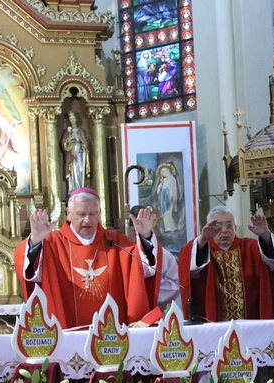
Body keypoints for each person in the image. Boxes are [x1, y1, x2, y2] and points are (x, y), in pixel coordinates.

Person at [14, 188, 161, 329]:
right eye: (81, 214)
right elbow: (30, 274)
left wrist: (145, 236)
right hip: (66, 333)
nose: (87, 220)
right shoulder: (52, 243)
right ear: (68, 213)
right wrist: (35, 240)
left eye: (92, 214)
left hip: (113, 335)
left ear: (100, 213)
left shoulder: (115, 241)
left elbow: (144, 270)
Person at [177, 206, 274, 321]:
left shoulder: (250, 248)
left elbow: (273, 264)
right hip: (213, 323)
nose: (224, 230)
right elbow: (190, 271)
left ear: (235, 228)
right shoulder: (203, 249)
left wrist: (265, 236)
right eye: (218, 226)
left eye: (229, 225)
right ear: (208, 228)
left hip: (250, 323)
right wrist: (202, 239)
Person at [127, 204, 180, 309]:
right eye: (134, 231)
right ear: (129, 230)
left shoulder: (165, 256)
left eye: (141, 229)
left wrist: (145, 290)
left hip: (156, 310)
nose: (138, 234)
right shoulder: (123, 252)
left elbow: (174, 286)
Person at [61, 112, 90, 195]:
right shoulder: (67, 132)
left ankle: (80, 187)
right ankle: (73, 189)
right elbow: (64, 143)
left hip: (80, 154)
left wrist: (82, 144)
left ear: (76, 119)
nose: (72, 120)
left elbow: (85, 143)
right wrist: (68, 141)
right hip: (71, 154)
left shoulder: (81, 131)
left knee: (80, 170)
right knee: (73, 171)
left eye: (73, 118)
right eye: (71, 119)